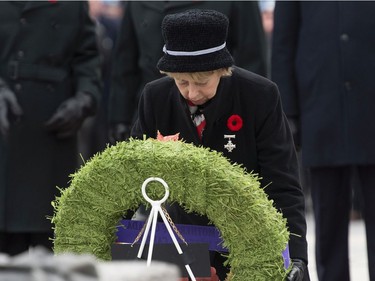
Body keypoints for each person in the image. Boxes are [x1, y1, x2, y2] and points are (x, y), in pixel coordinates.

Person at [130, 9, 310, 281]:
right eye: (182, 82)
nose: (192, 92)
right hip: (181, 239)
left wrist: (295, 254)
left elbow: (283, 184)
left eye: (202, 82)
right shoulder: (155, 97)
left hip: (247, 239)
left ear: (222, 72)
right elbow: (129, 175)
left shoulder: (260, 96)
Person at [271, 2, 375, 281]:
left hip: (369, 108)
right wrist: (288, 113)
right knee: (328, 217)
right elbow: (282, 46)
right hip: (320, 110)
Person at [0, 1, 101, 255]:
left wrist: (84, 99)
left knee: (53, 236)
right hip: (6, 127)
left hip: (53, 129)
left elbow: (88, 60)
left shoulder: (74, 5)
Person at [108, 1, 267, 143]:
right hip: (152, 107)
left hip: (217, 108)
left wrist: (250, 112)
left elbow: (252, 58)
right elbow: (125, 59)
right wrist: (119, 117)